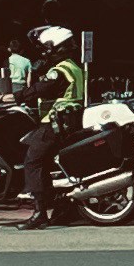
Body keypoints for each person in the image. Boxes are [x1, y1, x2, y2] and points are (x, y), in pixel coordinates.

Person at [13, 22, 88, 230]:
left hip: (55, 124)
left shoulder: (59, 71)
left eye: (46, 48)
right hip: (70, 122)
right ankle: (62, 208)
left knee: (33, 160)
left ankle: (39, 213)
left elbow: (39, 89)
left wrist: (13, 96)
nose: (44, 53)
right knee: (46, 163)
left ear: (56, 48)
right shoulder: (74, 67)